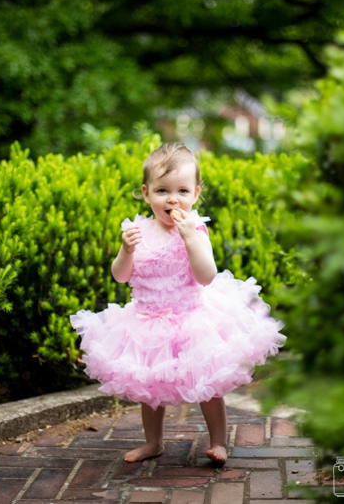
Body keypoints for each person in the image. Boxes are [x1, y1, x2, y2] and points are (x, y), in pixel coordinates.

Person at [70, 143, 285, 465]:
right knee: (150, 385)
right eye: (162, 190)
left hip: (192, 318)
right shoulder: (136, 231)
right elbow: (120, 276)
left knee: (208, 384)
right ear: (146, 193)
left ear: (196, 193)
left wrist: (190, 239)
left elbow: (206, 276)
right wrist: (125, 251)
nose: (172, 198)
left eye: (182, 190)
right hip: (147, 320)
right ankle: (153, 443)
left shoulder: (195, 229)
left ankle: (218, 442)